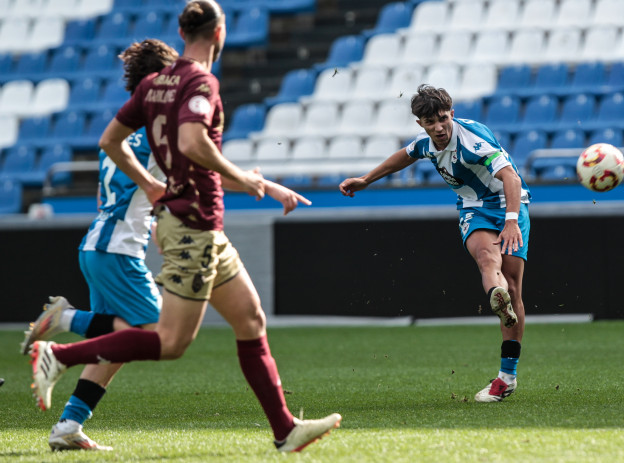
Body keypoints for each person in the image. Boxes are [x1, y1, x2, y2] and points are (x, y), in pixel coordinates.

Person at [28, 0, 341, 453]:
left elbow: (109, 141)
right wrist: (243, 178)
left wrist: (155, 187)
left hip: (200, 226)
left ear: (181, 31)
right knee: (169, 340)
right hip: (192, 225)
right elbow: (195, 143)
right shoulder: (199, 81)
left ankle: (285, 429)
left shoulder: (155, 84)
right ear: (220, 32)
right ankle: (58, 355)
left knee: (251, 319)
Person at [20, 39, 180, 451]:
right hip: (118, 251)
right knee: (157, 331)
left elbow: (108, 195)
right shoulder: (157, 133)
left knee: (116, 348)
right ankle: (64, 323)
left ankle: (68, 426)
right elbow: (172, 188)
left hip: (99, 244)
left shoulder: (121, 130)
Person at [339, 84, 531, 403]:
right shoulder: (427, 143)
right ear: (421, 124)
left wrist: (511, 220)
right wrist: (365, 180)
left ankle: (507, 376)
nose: (439, 128)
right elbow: (404, 156)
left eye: (443, 119)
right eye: (431, 122)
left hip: (510, 204)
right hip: (474, 208)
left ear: (451, 114)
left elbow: (510, 177)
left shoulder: (472, 141)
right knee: (486, 258)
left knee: (514, 286)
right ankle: (497, 297)